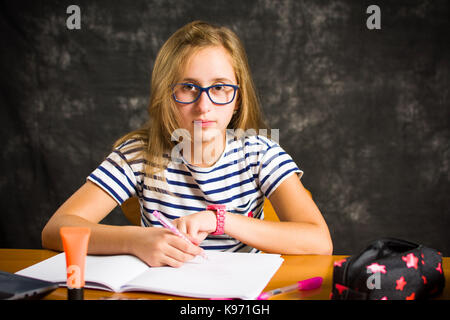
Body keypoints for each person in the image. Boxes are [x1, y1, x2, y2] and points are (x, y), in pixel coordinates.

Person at [42, 21, 333, 268]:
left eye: (219, 87)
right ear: (166, 95)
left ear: (238, 99)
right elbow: (55, 230)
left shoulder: (260, 154)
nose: (203, 105)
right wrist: (135, 240)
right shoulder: (139, 155)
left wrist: (219, 220)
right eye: (188, 87)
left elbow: (319, 241)